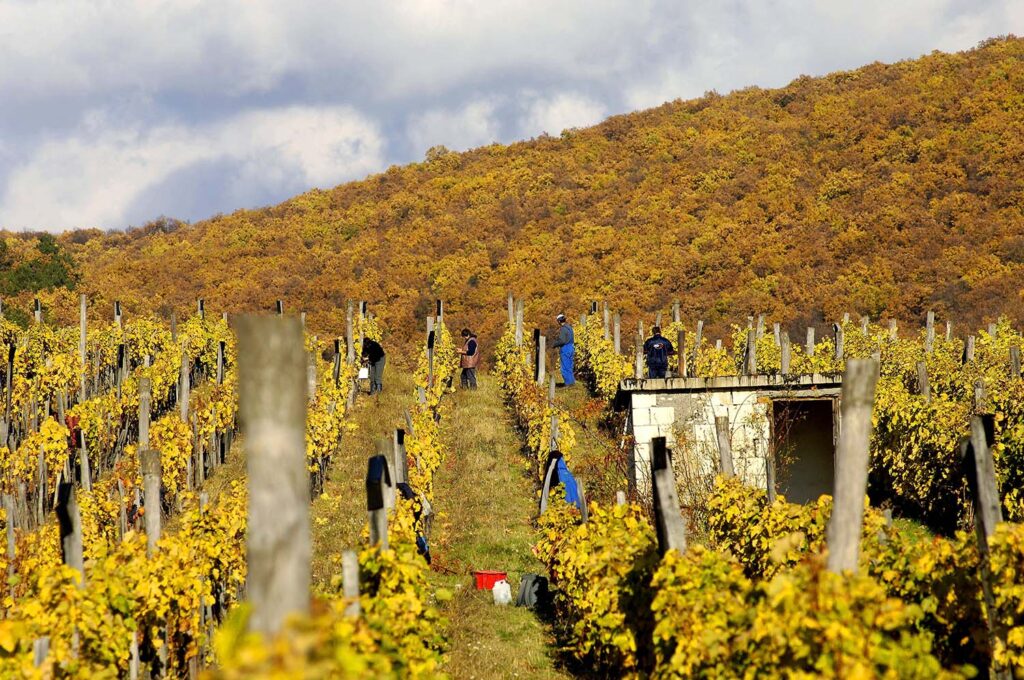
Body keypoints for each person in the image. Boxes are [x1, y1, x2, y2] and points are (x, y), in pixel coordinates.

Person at [551, 313, 575, 387]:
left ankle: (568, 384)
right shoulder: (569, 328)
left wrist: (554, 344)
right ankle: (571, 382)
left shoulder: (563, 329)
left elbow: (562, 341)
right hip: (571, 347)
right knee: (569, 366)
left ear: (559, 321)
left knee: (564, 367)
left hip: (565, 348)